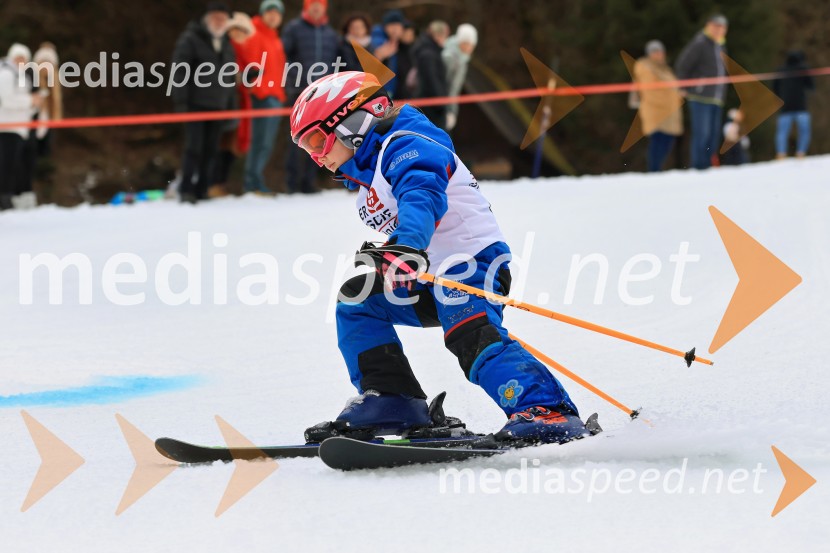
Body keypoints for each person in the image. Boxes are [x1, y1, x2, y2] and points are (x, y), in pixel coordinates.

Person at [289, 71, 588, 444]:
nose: (317, 156)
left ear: (353, 120)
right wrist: (389, 255)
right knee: (358, 299)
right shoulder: (370, 172)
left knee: (467, 328)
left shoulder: (408, 143)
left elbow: (422, 195)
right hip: (431, 272)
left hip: (474, 263)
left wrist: (405, 246)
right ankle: (392, 401)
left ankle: (547, 410)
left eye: (318, 140)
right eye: (307, 149)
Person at [171, 2, 238, 204]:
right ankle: (186, 190)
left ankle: (202, 188)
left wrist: (242, 81)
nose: (219, 22)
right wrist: (181, 102)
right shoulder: (190, 39)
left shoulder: (226, 43)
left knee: (211, 150)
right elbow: (179, 71)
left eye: (223, 18)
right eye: (216, 17)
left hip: (218, 106)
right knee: (194, 148)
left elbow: (228, 76)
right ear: (207, 18)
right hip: (195, 105)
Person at [282, 0, 340, 194]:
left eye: (319, 4)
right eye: (312, 3)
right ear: (307, 7)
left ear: (324, 7)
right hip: (298, 93)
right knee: (296, 139)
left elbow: (337, 62)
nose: (316, 7)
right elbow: (283, 56)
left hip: (324, 96)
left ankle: (309, 182)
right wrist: (290, 83)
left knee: (319, 139)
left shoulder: (331, 34)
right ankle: (291, 184)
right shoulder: (294, 28)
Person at [235, 0, 287, 194]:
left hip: (275, 95)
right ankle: (252, 183)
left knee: (267, 143)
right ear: (263, 14)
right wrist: (252, 86)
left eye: (277, 13)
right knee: (259, 141)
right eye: (270, 12)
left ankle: (256, 181)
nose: (273, 16)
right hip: (261, 95)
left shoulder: (275, 38)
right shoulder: (254, 33)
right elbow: (244, 58)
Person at [675, 14, 729, 170]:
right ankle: (699, 167)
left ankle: (709, 165)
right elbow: (683, 64)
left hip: (717, 98)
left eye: (722, 27)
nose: (719, 30)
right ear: (708, 26)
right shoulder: (700, 43)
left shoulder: (720, 46)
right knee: (702, 134)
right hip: (700, 96)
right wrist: (683, 87)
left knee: (713, 135)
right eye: (716, 26)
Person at [0, 44, 42, 211]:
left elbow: (26, 108)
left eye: (24, 58)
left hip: (18, 128)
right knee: (6, 166)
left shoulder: (22, 76)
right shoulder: (6, 73)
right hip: (6, 127)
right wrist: (30, 101)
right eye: (18, 57)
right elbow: (6, 101)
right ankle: (4, 199)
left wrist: (35, 104)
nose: (21, 61)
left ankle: (8, 197)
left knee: (13, 166)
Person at [632, 40, 683, 172]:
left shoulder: (665, 69)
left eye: (660, 51)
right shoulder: (645, 67)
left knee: (667, 142)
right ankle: (654, 170)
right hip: (655, 111)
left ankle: (657, 169)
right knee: (657, 142)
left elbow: (673, 87)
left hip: (670, 111)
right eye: (655, 52)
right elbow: (650, 90)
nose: (659, 54)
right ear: (649, 54)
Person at [773, 50, 814, 159]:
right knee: (804, 131)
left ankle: (781, 153)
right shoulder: (803, 69)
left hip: (785, 108)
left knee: (782, 132)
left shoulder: (781, 70)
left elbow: (775, 89)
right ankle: (801, 152)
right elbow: (811, 86)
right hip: (801, 107)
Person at [411, 21, 451, 129]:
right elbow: (432, 80)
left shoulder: (428, 51)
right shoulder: (429, 55)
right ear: (438, 35)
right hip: (432, 108)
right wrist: (441, 104)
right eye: (445, 36)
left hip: (430, 105)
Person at [442, 23, 477, 132]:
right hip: (441, 107)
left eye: (472, 44)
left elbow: (455, 88)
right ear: (461, 42)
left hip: (446, 106)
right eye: (467, 43)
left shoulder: (463, 58)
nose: (470, 47)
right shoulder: (450, 58)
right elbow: (449, 87)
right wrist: (450, 111)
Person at [370, 10, 407, 99]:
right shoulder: (379, 41)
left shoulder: (394, 42)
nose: (395, 30)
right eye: (393, 26)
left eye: (398, 26)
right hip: (381, 93)